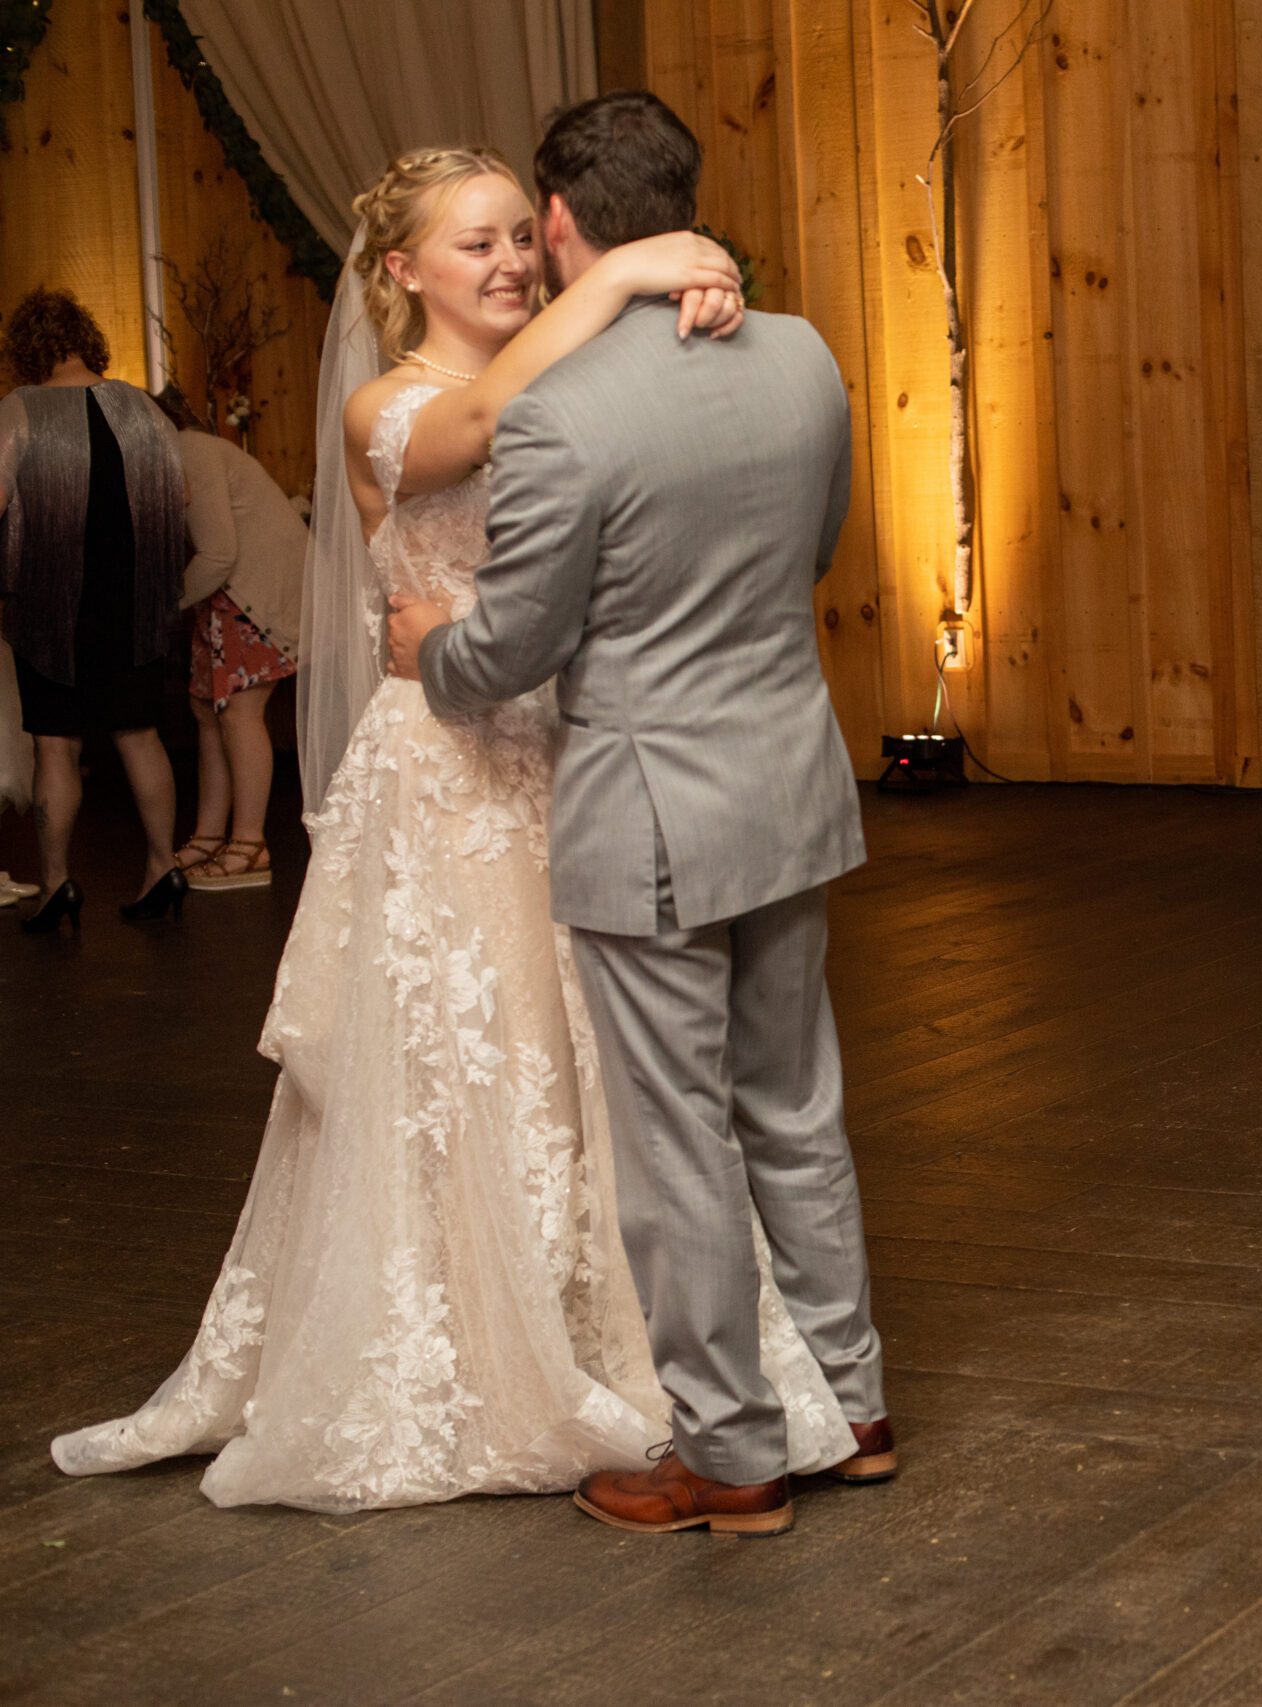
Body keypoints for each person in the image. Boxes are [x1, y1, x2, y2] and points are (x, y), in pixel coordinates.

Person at [52, 141, 862, 1514]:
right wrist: (648, 269)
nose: (501, 262)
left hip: (573, 758)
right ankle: (465, 1344)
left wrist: (688, 289)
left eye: (513, 238)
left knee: (606, 1080)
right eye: (470, 243)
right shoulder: (392, 405)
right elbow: (483, 424)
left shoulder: (581, 374)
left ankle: (662, 1351)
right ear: (399, 272)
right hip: (443, 780)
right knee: (459, 1064)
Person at [387, 92, 889, 1539]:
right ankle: (853, 1407)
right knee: (798, 1108)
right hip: (791, 781)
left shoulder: (562, 414)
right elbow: (818, 543)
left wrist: (430, 645)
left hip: (654, 819)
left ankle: (730, 1456)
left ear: (561, 225)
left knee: (678, 1146)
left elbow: (515, 647)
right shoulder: (805, 358)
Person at [0, 288, 190, 930]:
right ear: (88, 338)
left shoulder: (20, 409)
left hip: (51, 607)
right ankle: (164, 862)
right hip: (133, 604)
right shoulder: (141, 407)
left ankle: (57, 883)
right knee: (140, 735)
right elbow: (180, 493)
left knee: (55, 745)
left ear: (27, 350)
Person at [157, 385, 307, 891]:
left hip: (250, 595)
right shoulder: (183, 453)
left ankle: (250, 846)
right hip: (226, 596)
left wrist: (161, 606)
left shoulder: (189, 451)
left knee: (240, 713)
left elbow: (218, 553)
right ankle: (209, 835)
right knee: (206, 712)